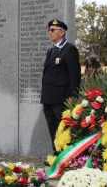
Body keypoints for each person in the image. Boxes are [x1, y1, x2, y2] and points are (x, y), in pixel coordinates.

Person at [41, 19, 81, 154]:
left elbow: (74, 76)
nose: (49, 32)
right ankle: (56, 154)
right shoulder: (51, 51)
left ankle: (63, 156)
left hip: (61, 98)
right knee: (52, 128)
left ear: (62, 32)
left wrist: (73, 96)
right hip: (48, 98)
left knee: (61, 129)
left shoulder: (69, 49)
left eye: (52, 30)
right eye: (49, 30)